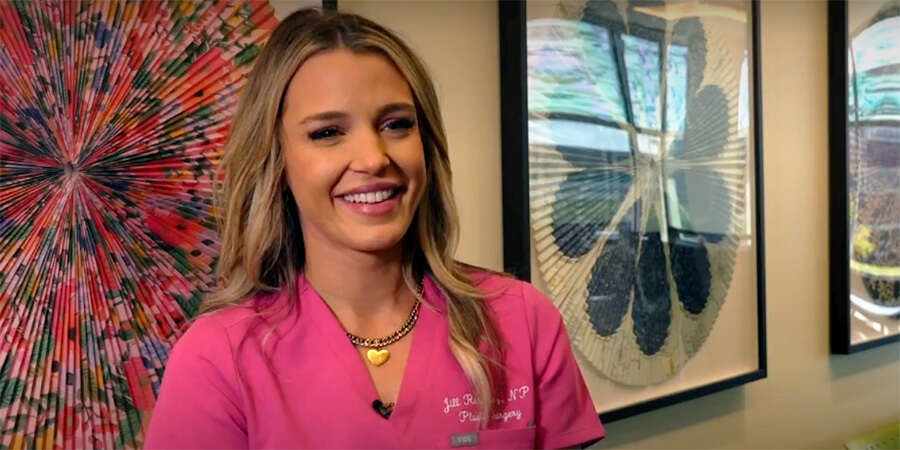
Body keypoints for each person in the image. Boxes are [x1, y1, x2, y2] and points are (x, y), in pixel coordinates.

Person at [143, 7, 605, 449]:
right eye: (327, 132)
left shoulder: (523, 320)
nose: (373, 158)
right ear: (277, 161)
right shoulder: (217, 361)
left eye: (396, 124)